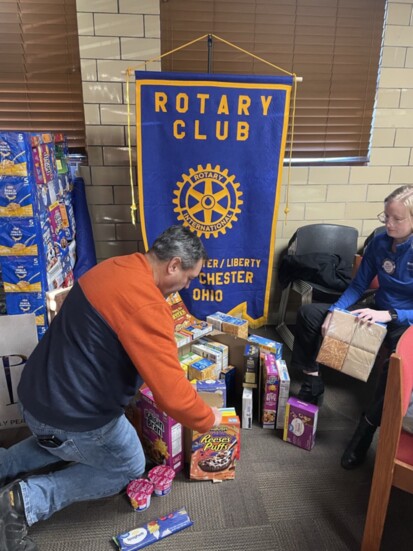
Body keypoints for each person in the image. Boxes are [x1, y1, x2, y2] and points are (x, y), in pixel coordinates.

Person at [0, 224, 222, 551]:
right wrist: (209, 420)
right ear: (173, 264)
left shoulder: (111, 267)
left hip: (35, 396)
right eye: (188, 278)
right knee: (127, 466)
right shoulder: (147, 304)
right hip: (71, 416)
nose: (185, 287)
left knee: (58, 441)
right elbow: (173, 397)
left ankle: (5, 464)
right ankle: (22, 502)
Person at [290, 185, 413, 469]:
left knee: (396, 366)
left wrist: (391, 315)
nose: (388, 224)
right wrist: (335, 312)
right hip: (376, 308)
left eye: (397, 219)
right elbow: (358, 285)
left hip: (404, 320)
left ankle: (365, 431)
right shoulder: (381, 241)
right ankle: (313, 380)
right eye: (386, 216)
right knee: (311, 315)